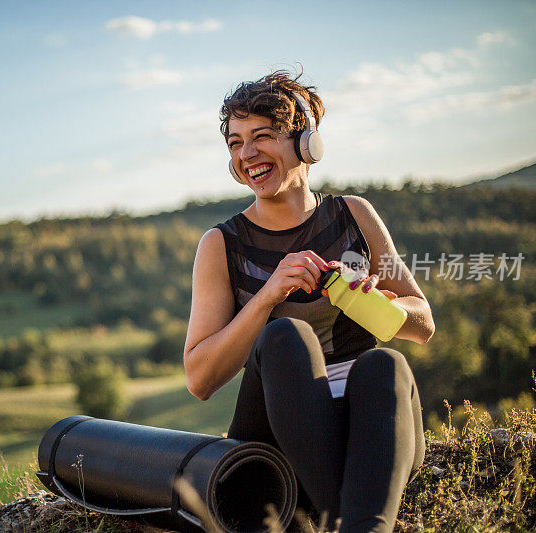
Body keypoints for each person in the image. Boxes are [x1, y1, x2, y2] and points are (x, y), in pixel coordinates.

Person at [183, 70, 435, 533]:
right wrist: (266, 297)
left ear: (306, 143)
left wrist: (378, 302)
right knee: (285, 335)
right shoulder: (221, 244)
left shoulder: (353, 215)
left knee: (384, 366)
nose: (247, 154)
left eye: (263, 136)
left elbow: (422, 324)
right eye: (236, 143)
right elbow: (199, 379)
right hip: (279, 447)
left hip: (371, 437)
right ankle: (357, 518)